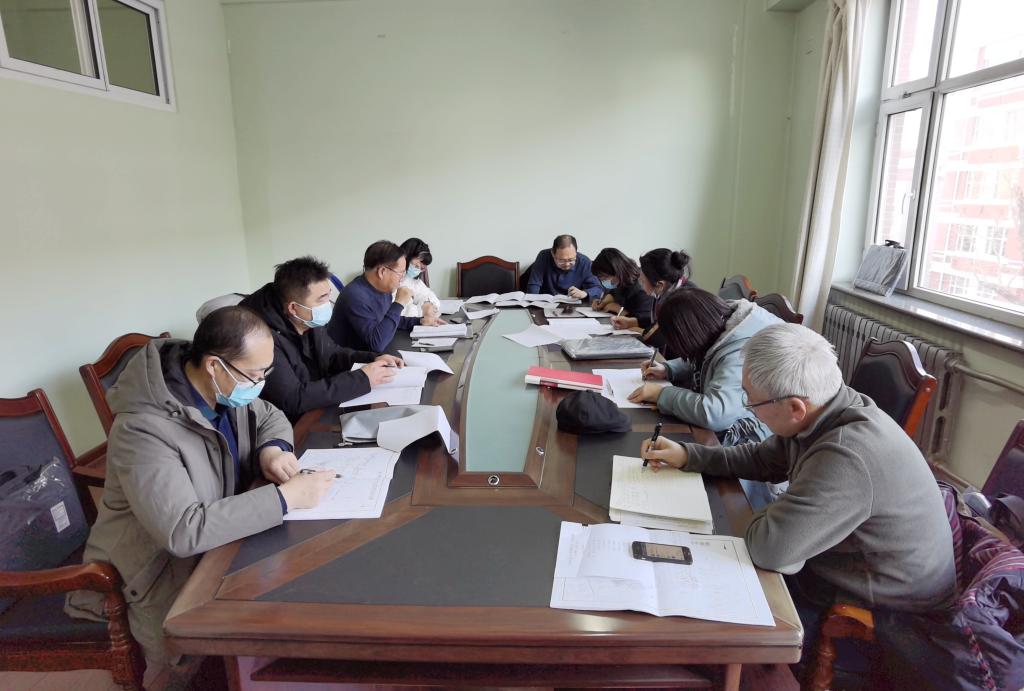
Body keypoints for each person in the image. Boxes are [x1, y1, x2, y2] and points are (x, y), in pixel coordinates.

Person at [640, 324, 956, 665]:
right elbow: (763, 459)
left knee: (701, 613)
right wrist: (689, 455)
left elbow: (771, 551)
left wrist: (773, 509)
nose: (748, 408)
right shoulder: (826, 407)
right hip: (843, 563)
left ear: (795, 407)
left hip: (886, 611)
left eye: (750, 399)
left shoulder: (847, 455)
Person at [66, 307, 336, 668]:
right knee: (287, 615)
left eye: (266, 372)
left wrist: (273, 449)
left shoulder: (221, 390)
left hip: (223, 542)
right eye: (255, 374)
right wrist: (285, 498)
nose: (260, 383)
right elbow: (183, 531)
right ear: (213, 365)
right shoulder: (142, 430)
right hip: (160, 576)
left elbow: (269, 414)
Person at [240, 256, 403, 422]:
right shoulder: (259, 338)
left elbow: (332, 354)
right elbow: (293, 398)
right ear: (293, 308)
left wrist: (373, 358)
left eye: (328, 295)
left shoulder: (307, 318)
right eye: (321, 299)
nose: (327, 304)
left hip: (318, 403)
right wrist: (362, 379)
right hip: (292, 422)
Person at [627, 288, 781, 446]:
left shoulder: (740, 351)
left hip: (752, 437)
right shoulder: (722, 320)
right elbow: (708, 355)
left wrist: (661, 394)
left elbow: (716, 414)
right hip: (735, 419)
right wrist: (668, 369)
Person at [327, 240, 445, 351]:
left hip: (369, 355)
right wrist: (399, 303)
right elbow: (377, 344)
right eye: (401, 273)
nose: (402, 278)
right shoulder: (355, 296)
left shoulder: (382, 289)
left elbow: (387, 320)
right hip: (347, 361)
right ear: (382, 271)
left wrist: (419, 321)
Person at [611, 248, 696, 334]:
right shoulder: (666, 289)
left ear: (660, 284)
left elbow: (669, 333)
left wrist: (644, 332)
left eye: (643, 282)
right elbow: (657, 321)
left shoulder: (684, 299)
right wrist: (632, 322)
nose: (640, 286)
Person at [524, 234, 603, 301]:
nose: (567, 264)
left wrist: (584, 293)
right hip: (546, 303)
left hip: (572, 305)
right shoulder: (543, 256)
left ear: (576, 253)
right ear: (553, 254)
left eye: (571, 260)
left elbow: (598, 288)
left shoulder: (584, 262)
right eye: (562, 260)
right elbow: (534, 285)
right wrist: (533, 303)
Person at [589, 247, 654, 326]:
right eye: (600, 279)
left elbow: (644, 321)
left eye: (605, 277)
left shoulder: (642, 287)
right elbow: (614, 293)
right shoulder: (622, 279)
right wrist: (603, 302)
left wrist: (618, 309)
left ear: (617, 271)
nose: (603, 282)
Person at [397, 237, 441, 320]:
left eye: (421, 268)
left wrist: (426, 303)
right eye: (416, 266)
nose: (418, 269)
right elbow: (400, 313)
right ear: (405, 257)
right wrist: (422, 310)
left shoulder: (412, 280)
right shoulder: (391, 279)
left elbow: (433, 299)